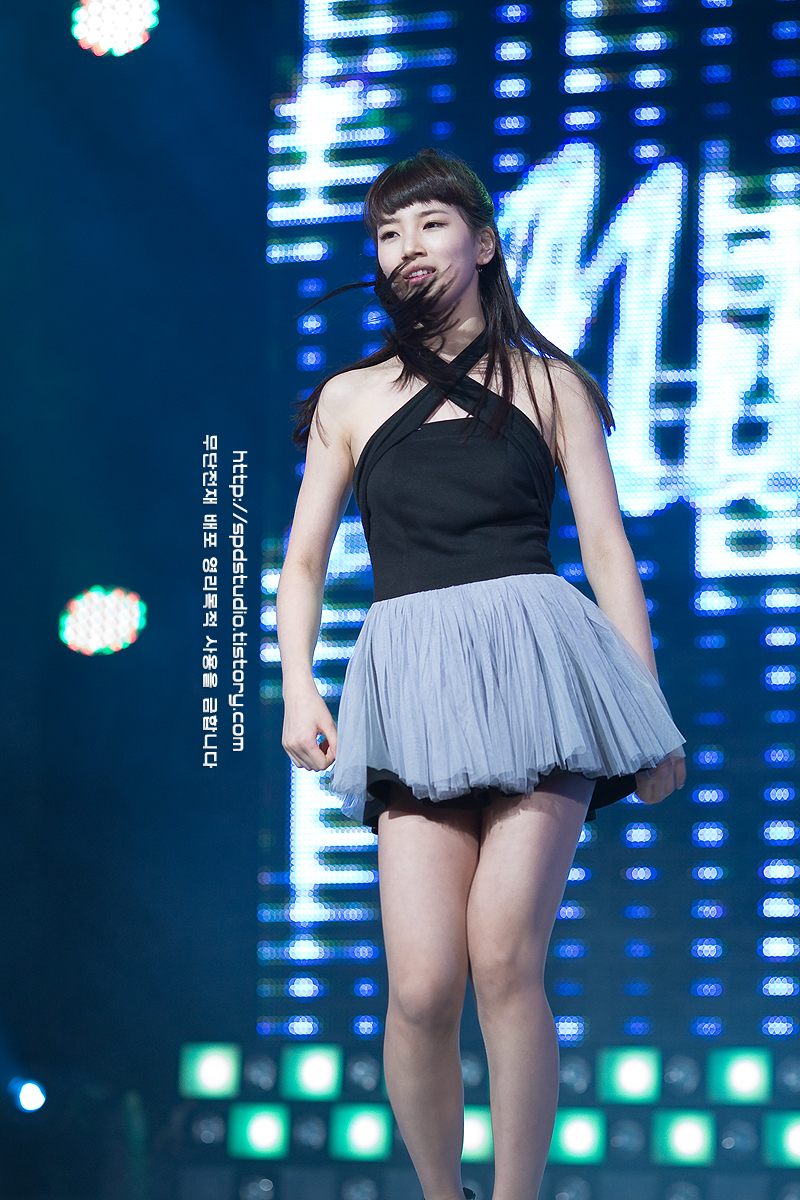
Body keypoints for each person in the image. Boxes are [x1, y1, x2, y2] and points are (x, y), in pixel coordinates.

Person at [277, 148, 685, 1200]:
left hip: (537, 672)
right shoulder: (349, 398)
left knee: (504, 954)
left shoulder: (551, 384)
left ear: (484, 243)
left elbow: (607, 549)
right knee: (420, 985)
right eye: (386, 232)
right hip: (412, 685)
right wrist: (297, 684)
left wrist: (647, 716)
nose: (404, 247)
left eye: (428, 224)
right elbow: (304, 560)